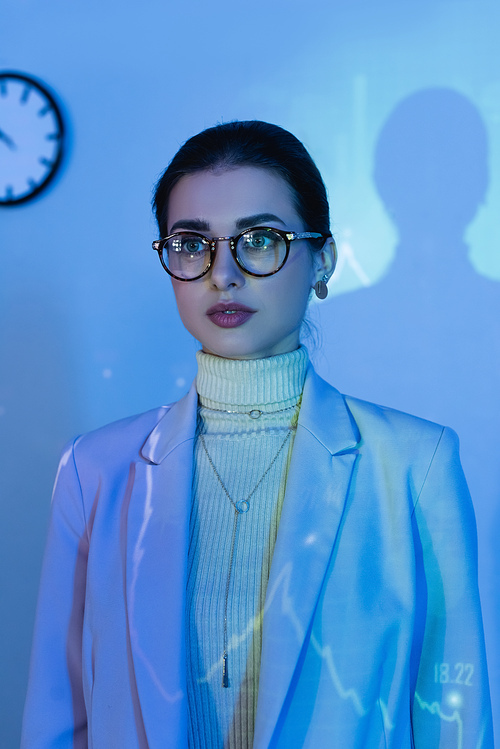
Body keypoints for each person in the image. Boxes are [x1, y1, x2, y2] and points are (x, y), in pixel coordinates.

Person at [21, 120, 493, 748]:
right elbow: (59, 718)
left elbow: (453, 715)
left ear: (322, 258)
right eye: (193, 243)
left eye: (260, 239)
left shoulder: (414, 464)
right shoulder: (95, 471)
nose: (223, 274)